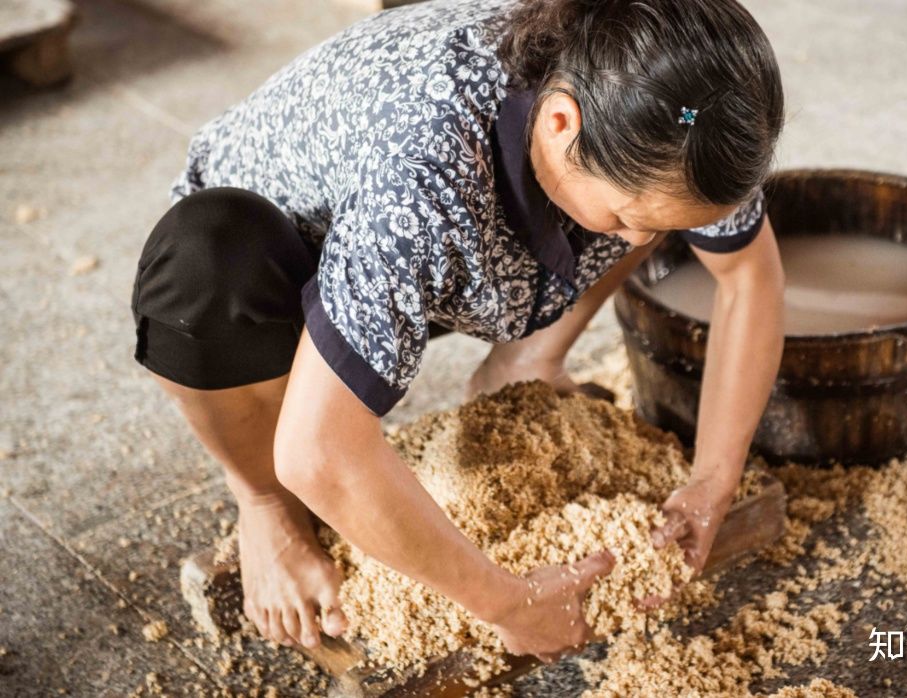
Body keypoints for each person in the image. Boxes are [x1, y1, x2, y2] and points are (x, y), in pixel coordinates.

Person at [130, 0, 786, 662]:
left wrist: (714, 477)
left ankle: (524, 358)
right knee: (208, 260)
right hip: (270, 272)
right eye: (623, 219)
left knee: (648, 212)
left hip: (444, 261)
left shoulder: (686, 107)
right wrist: (508, 602)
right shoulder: (427, 165)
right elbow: (318, 453)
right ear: (560, 122)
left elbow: (749, 279)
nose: (640, 243)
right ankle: (264, 507)